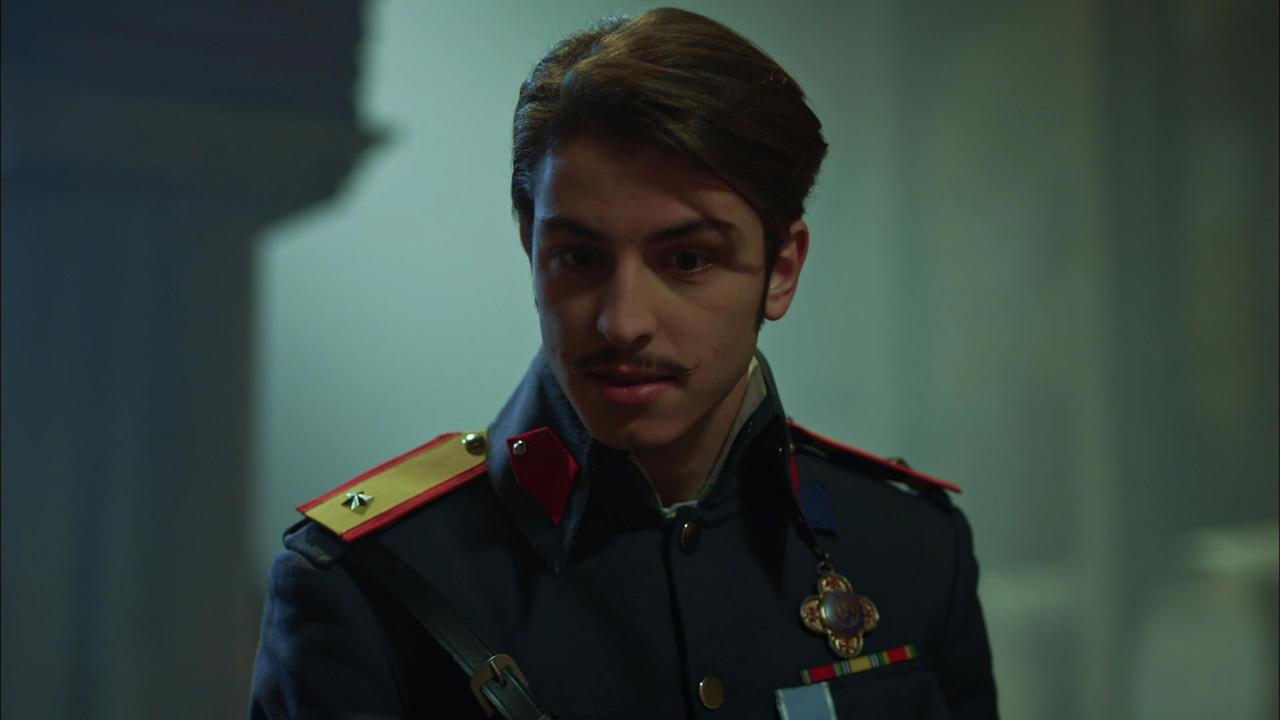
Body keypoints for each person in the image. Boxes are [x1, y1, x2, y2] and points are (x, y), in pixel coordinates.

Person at [249, 7, 997, 719]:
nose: (622, 321)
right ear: (530, 250)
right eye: (578, 257)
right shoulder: (369, 584)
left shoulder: (911, 547)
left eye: (687, 259)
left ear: (782, 270)